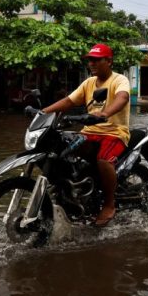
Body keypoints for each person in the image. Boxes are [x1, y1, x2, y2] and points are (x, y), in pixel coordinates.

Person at [42, 43, 131, 227]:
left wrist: (105, 113)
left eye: (97, 60)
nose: (92, 63)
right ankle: (71, 192)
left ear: (109, 61)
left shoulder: (119, 80)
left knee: (103, 160)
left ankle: (109, 204)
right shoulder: (88, 83)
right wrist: (42, 113)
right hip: (89, 132)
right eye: (90, 60)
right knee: (60, 151)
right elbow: (68, 101)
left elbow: (122, 98)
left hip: (114, 133)